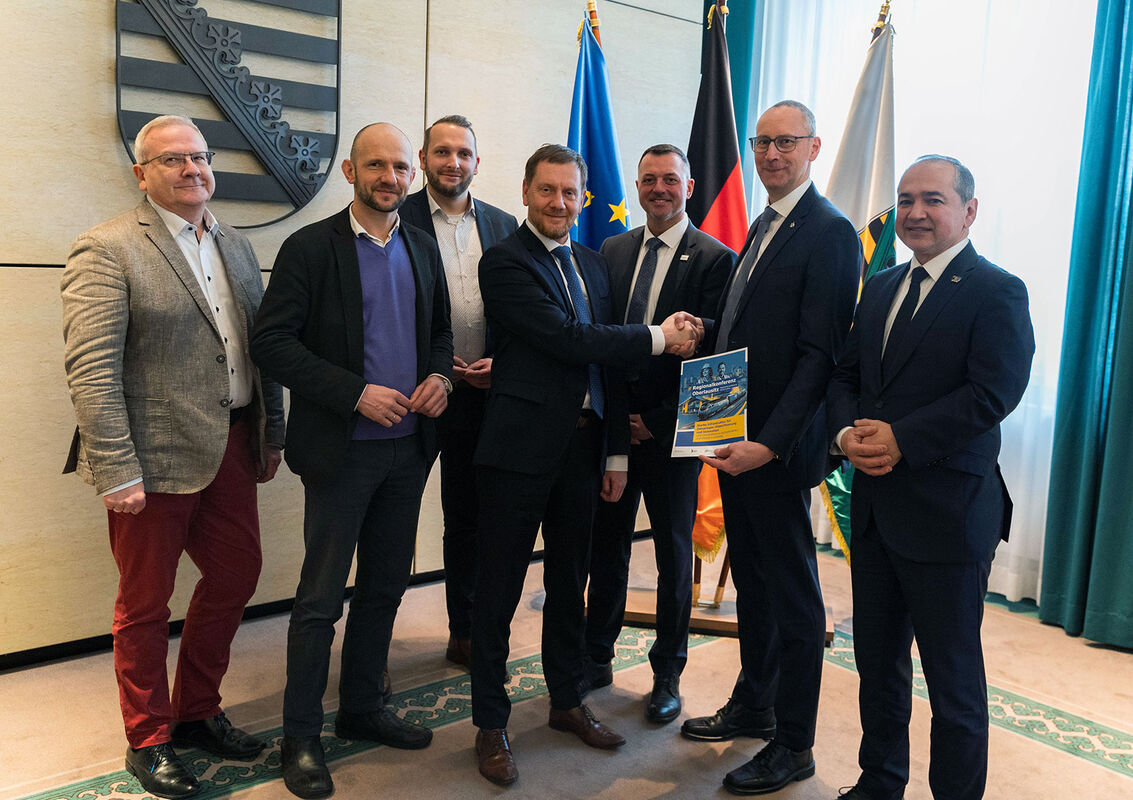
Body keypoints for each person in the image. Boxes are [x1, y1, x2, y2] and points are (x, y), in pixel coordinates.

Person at [60, 114, 285, 799]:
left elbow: (261, 348)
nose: (192, 168)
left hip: (232, 445)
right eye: (172, 159)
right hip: (149, 457)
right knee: (145, 603)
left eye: (200, 156)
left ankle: (196, 709)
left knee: (236, 574)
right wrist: (115, 467)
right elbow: (91, 369)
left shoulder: (237, 245)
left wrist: (271, 432)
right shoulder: (107, 248)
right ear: (141, 174)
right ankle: (148, 736)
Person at [469, 144, 701, 786]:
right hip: (517, 453)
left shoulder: (596, 264)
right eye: (547, 190)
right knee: (499, 590)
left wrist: (617, 452)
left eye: (570, 192)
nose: (559, 203)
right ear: (525, 192)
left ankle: (567, 700)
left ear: (583, 198)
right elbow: (568, 341)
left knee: (571, 582)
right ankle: (490, 723)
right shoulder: (504, 262)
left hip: (582, 449)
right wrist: (659, 336)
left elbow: (610, 369)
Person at [250, 123, 453, 799]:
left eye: (400, 167)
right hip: (341, 455)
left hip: (408, 451)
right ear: (349, 171)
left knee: (385, 588)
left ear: (411, 174)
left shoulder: (421, 246)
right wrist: (354, 393)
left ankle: (363, 706)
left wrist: (440, 377)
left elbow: (440, 334)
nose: (389, 177)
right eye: (376, 165)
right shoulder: (310, 247)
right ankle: (301, 735)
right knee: (318, 602)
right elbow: (271, 343)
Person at [827, 156, 1034, 800]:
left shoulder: (997, 290)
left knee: (953, 683)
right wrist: (844, 436)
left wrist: (902, 439)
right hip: (876, 512)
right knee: (877, 666)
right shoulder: (882, 286)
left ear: (968, 211)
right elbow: (846, 376)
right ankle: (879, 782)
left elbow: (993, 393)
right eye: (907, 199)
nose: (916, 212)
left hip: (949, 515)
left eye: (933, 200)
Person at [682, 100, 861, 795]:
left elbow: (819, 357)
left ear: (813, 147)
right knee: (752, 583)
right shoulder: (763, 222)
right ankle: (754, 702)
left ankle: (795, 744)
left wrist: (770, 445)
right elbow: (754, 328)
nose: (770, 154)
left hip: (773, 451)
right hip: (733, 439)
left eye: (786, 142)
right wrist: (706, 327)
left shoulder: (829, 232)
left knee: (793, 598)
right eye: (761, 142)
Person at [582, 144, 734, 723]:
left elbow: (716, 361)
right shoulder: (612, 250)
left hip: (672, 436)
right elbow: (604, 339)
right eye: (649, 179)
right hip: (614, 428)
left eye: (670, 179)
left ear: (688, 188)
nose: (659, 189)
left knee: (674, 557)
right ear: (638, 186)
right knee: (607, 548)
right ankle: (597, 656)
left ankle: (667, 673)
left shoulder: (716, 259)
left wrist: (659, 422)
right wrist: (618, 418)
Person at [399, 114, 518, 667]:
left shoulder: (502, 223)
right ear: (424, 159)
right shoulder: (394, 216)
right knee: (392, 516)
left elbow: (519, 309)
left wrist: (504, 364)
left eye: (463, 153)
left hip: (481, 395)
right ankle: (375, 643)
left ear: (477, 162)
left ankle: (465, 629)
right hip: (415, 393)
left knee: (468, 519)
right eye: (442, 152)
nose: (453, 162)